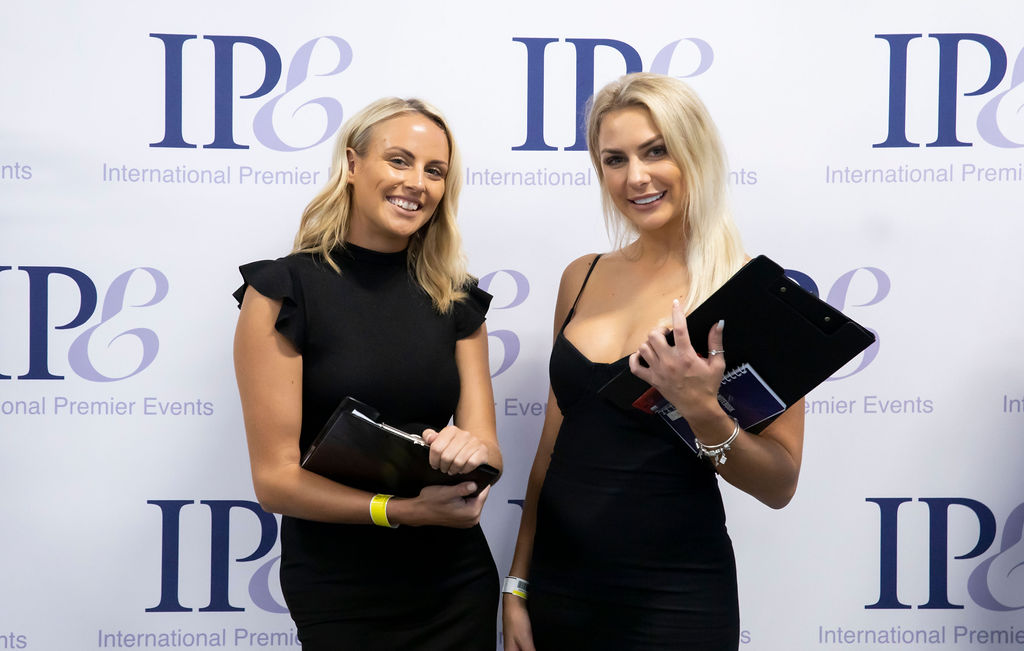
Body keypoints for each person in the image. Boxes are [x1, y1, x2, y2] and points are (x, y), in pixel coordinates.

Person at [502, 73, 805, 650]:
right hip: (560, 592)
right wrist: (518, 583)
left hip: (675, 603)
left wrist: (700, 408)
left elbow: (779, 484)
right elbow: (551, 447)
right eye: (614, 159)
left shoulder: (752, 295)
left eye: (656, 151)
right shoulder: (581, 275)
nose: (635, 177)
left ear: (695, 153)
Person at [232, 97, 502, 650]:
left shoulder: (456, 299)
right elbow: (275, 480)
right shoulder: (283, 292)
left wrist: (469, 453)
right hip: (340, 589)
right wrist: (401, 512)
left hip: (454, 581)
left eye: (435, 171)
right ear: (353, 164)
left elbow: (489, 454)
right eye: (399, 160)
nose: (417, 183)